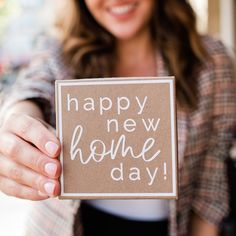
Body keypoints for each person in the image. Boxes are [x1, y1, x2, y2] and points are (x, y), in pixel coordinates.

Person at [0, 0, 235, 235]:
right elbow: (32, 89)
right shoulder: (59, 52)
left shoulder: (209, 61)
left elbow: (210, 188)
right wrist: (18, 118)